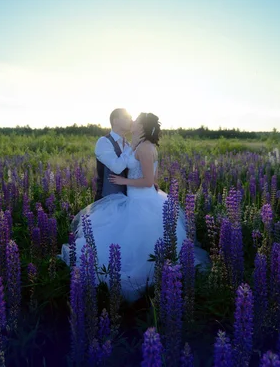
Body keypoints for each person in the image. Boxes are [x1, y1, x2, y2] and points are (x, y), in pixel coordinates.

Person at [59, 112, 209, 302]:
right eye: (129, 117)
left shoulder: (142, 147)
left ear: (142, 126)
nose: (132, 121)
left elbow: (147, 180)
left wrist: (124, 179)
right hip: (133, 199)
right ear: (115, 121)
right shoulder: (121, 143)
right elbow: (150, 177)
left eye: (136, 119)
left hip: (141, 201)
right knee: (134, 240)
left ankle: (148, 281)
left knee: (140, 240)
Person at [93, 108, 133, 201]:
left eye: (131, 117)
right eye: (126, 117)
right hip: (106, 200)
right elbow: (117, 168)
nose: (131, 120)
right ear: (115, 121)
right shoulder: (104, 142)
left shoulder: (128, 144)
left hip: (127, 200)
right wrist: (133, 146)